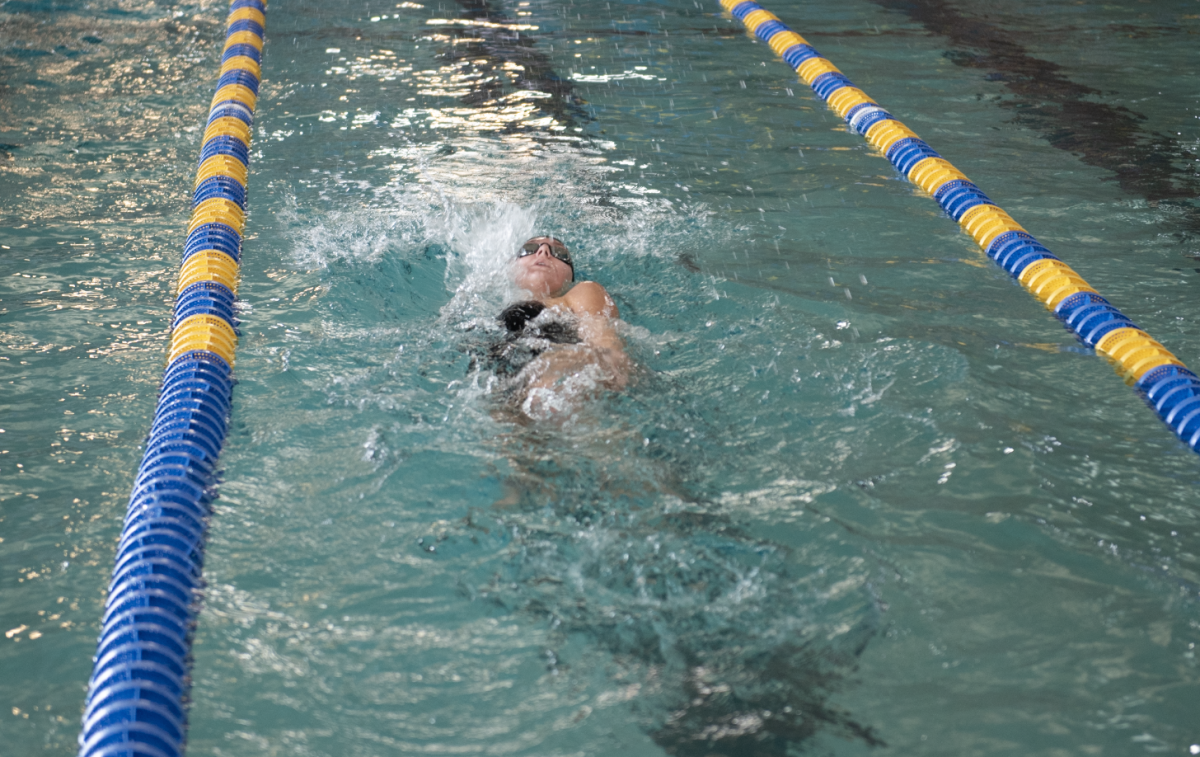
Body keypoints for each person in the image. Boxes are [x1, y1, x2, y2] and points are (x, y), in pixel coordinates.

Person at [488, 236, 630, 418]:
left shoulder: (583, 293)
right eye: (529, 249)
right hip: (505, 390)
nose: (543, 251)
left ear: (570, 277)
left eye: (559, 253)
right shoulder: (488, 305)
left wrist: (559, 363)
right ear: (511, 269)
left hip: (560, 383)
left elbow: (608, 351)